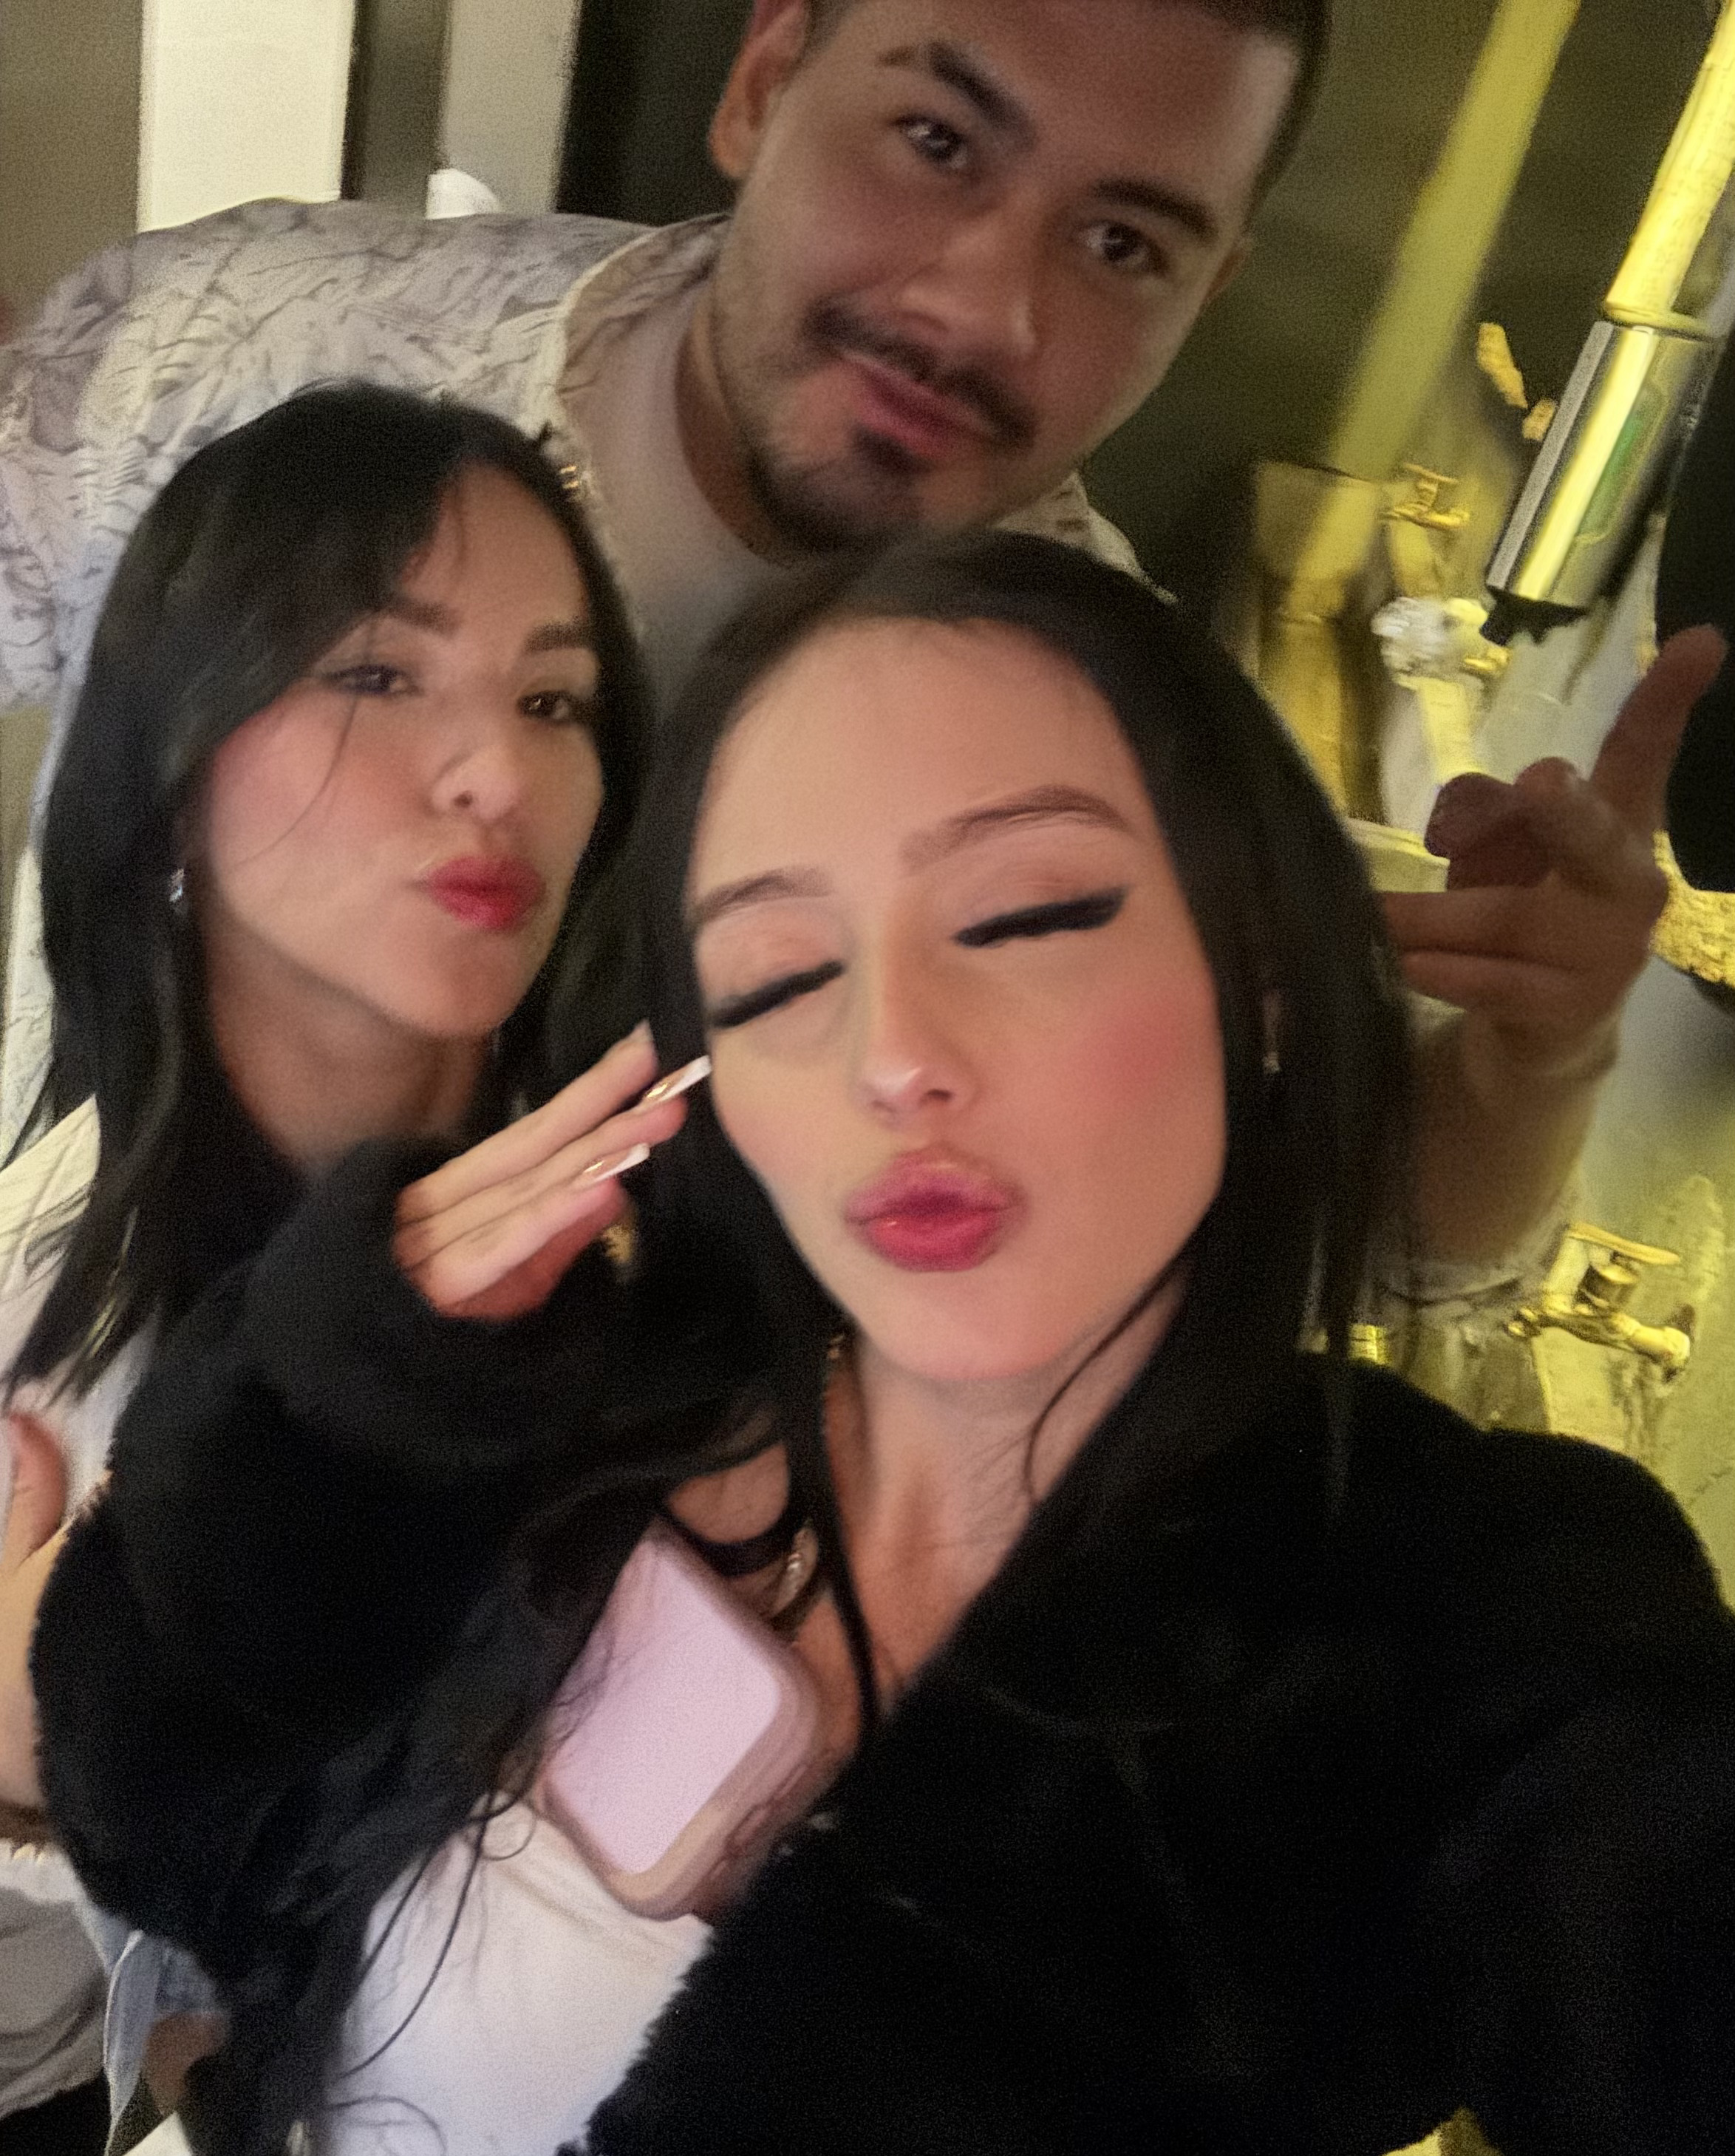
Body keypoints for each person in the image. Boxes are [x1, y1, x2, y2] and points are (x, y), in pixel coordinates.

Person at [24, 535, 1735, 2156]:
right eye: (779, 976)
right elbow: (160, 1802)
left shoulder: (1417, 1623)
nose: (891, 1055)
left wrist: (1539, 1064)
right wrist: (322, 1412)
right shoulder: (591, 1396)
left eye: (1023, 917)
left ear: (1263, 987)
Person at [0, 0, 1717, 1281]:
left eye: (1121, 242)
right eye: (938, 142)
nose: (983, 307)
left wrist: (1538, 1050)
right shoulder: (246, 350)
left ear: (1204, 293)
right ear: (764, 79)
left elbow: (1366, 1224)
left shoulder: (1106, 744)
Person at [0, 378, 675, 2156]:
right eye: (377, 673)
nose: (496, 775)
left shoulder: (664, 1209)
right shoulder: (54, 1317)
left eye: (554, 701)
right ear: (168, 763)